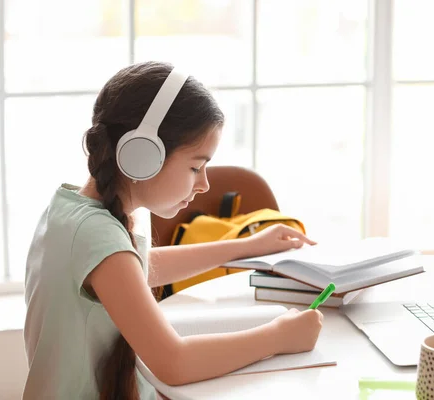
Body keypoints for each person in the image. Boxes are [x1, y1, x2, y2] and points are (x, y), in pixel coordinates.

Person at [23, 61, 324, 400]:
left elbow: (139, 270)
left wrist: (245, 246)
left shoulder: (69, 208)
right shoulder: (97, 235)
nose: (205, 184)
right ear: (142, 155)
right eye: (196, 166)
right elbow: (174, 363)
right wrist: (278, 337)